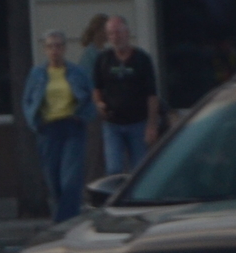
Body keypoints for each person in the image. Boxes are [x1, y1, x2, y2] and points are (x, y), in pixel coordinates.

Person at [22, 29, 95, 222]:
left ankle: (63, 225)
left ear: (64, 48)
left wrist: (83, 117)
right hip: (48, 131)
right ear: (45, 50)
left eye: (58, 46)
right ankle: (69, 217)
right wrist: (34, 123)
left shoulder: (77, 72)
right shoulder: (37, 74)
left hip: (72, 127)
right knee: (54, 182)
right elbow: (27, 101)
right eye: (50, 46)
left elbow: (91, 98)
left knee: (70, 180)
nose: (54, 50)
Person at [91, 15, 163, 176]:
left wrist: (152, 125)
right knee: (114, 169)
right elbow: (96, 89)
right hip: (112, 124)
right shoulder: (103, 60)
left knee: (139, 170)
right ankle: (117, 199)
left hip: (138, 123)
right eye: (111, 34)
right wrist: (99, 103)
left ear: (127, 32)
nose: (115, 37)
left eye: (118, 32)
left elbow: (152, 95)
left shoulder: (142, 59)